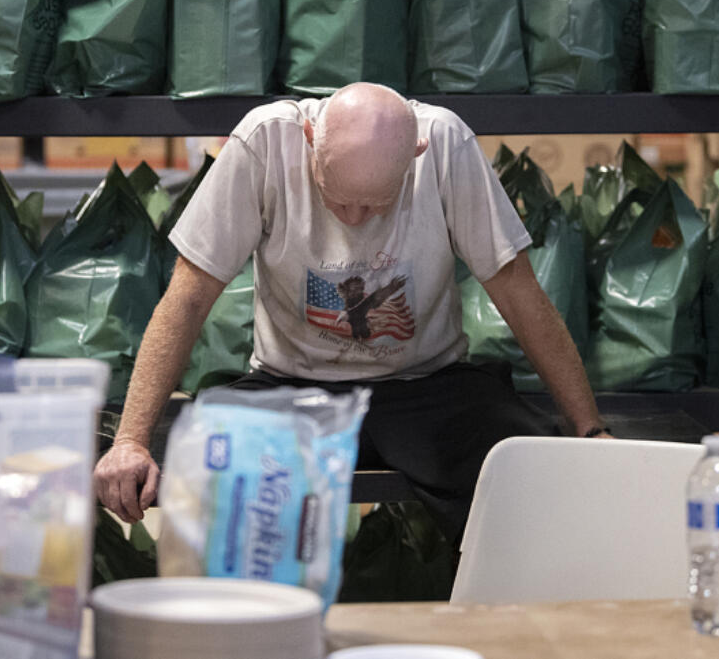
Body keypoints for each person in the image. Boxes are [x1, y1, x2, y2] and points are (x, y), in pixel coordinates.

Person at [95, 82, 608, 545]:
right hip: (292, 387)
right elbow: (188, 296)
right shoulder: (265, 141)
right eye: (338, 199)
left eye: (375, 205)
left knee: (530, 472)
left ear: (416, 154)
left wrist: (588, 430)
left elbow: (517, 288)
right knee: (212, 452)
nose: (355, 219)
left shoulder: (445, 143)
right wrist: (131, 441)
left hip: (425, 385)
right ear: (310, 137)